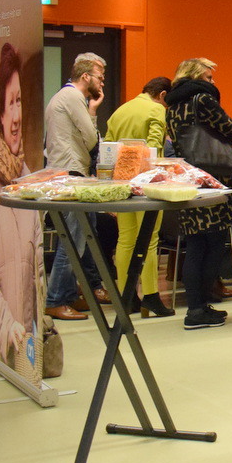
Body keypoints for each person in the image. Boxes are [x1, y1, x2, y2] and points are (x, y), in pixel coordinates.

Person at [164, 57, 232, 330]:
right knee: (214, 243)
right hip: (213, 179)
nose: (213, 81)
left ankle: (196, 307)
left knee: (195, 244)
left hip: (189, 178)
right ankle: (198, 309)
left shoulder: (171, 106)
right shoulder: (203, 100)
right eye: (209, 77)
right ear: (196, 76)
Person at [42, 52, 109, 321]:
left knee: (80, 236)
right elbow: (91, 139)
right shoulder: (72, 97)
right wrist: (93, 112)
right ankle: (56, 299)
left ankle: (68, 294)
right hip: (71, 173)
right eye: (99, 77)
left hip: (66, 171)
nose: (102, 83)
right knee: (73, 240)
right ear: (85, 76)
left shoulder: (65, 96)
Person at [105, 76, 174, 318]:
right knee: (149, 240)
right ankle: (151, 296)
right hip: (146, 184)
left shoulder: (119, 111)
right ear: (162, 95)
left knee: (125, 239)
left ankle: (127, 298)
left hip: (121, 182)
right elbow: (154, 149)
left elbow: (107, 149)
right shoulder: (156, 110)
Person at [0, 43, 43, 378]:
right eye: (9, 103)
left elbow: (37, 269)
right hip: (4, 341)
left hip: (27, 344)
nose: (16, 116)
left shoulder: (27, 182)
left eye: (20, 101)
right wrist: (8, 326)